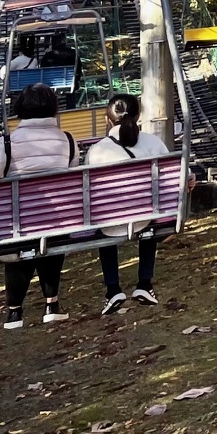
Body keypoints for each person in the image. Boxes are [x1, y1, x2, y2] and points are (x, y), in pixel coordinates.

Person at [0, 83, 76, 329]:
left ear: (20, 109)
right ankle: (51, 306)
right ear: (54, 109)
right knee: (50, 246)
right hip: (58, 224)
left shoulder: (7, 144)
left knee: (19, 253)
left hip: (18, 227)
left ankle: (15, 313)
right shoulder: (68, 140)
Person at [84, 94, 166, 314]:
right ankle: (144, 284)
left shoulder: (97, 150)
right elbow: (177, 175)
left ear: (107, 120)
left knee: (105, 218)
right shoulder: (153, 143)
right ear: (138, 116)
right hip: (145, 218)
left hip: (110, 223)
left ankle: (113, 290)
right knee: (149, 210)